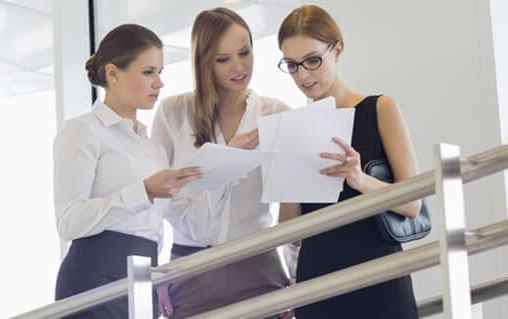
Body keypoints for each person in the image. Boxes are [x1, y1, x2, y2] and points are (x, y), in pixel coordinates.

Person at [276, 5, 422, 318]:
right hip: (318, 278)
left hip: (378, 274)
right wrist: (285, 173)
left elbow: (413, 204)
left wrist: (359, 179)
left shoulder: (379, 108)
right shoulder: (293, 127)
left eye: (312, 60)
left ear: (338, 49)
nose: (303, 75)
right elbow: (289, 232)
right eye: (292, 65)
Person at [150, 8, 292, 318]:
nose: (239, 67)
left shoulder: (277, 114)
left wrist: (297, 282)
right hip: (191, 271)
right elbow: (160, 204)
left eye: (244, 52)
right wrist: (225, 159)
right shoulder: (172, 112)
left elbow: (294, 208)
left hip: (259, 267)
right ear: (204, 63)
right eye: (223, 59)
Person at [53, 23, 202, 318]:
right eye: (148, 72)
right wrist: (144, 191)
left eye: (160, 72)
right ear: (112, 73)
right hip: (94, 277)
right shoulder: (83, 131)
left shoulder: (152, 148)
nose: (159, 83)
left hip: (144, 276)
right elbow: (69, 222)